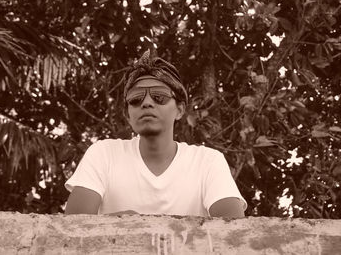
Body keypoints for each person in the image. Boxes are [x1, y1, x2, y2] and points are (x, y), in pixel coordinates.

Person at [64, 50, 246, 218]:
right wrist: (120, 226)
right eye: (136, 99)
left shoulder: (207, 162)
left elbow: (233, 232)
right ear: (128, 115)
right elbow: (73, 228)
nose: (147, 103)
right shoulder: (104, 154)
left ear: (180, 110)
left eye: (159, 97)